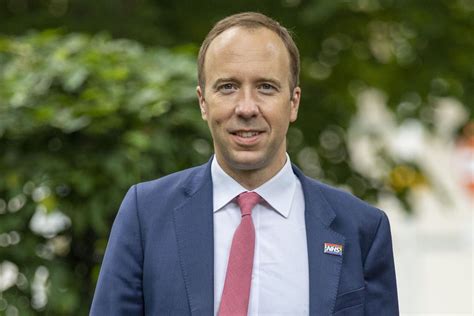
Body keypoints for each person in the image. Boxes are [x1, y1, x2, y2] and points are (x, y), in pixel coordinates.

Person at [90, 12, 398, 315]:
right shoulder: (146, 215)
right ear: (202, 102)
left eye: (266, 87)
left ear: (293, 102)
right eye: (227, 87)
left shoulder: (362, 230)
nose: (247, 107)